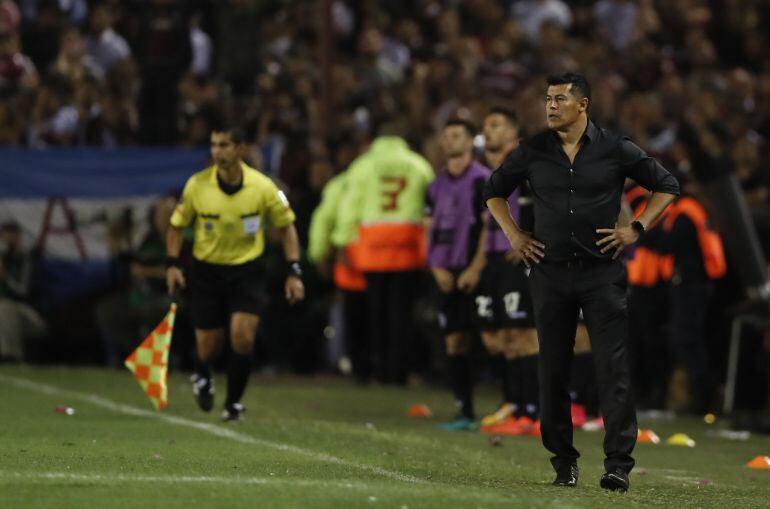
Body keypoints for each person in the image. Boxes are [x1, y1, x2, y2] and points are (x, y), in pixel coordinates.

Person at [484, 72, 680, 492]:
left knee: (613, 370)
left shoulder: (614, 147)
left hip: (601, 274)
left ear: (582, 105)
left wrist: (636, 229)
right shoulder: (534, 149)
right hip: (550, 273)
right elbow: (493, 189)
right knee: (552, 369)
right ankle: (563, 463)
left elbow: (666, 184)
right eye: (548, 99)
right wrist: (515, 235)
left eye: (559, 99)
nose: (550, 106)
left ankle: (618, 466)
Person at [166, 125, 305, 422]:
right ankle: (203, 373)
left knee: (242, 337)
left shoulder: (264, 188)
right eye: (214, 145)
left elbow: (287, 226)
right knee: (208, 345)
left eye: (224, 145)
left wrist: (294, 271)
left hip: (247, 270)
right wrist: (173, 264)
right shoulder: (197, 186)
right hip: (207, 270)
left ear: (240, 149)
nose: (217, 151)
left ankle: (233, 404)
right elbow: (177, 226)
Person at [332, 123, 434, 385]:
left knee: (376, 313)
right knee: (402, 313)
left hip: (372, 247)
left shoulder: (363, 165)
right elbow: (430, 206)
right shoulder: (418, 164)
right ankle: (398, 371)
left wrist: (343, 241)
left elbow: (350, 206)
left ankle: (378, 369)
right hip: (407, 246)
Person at [477, 107, 541, 435]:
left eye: (496, 124)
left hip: (520, 257)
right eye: (486, 125)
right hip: (495, 259)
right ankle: (515, 405)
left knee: (525, 334)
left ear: (513, 131)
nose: (488, 130)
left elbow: (545, 201)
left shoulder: (528, 162)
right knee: (503, 337)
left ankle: (532, 410)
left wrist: (529, 237)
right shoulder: (489, 170)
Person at [425, 119, 489, 430]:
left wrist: (476, 267)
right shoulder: (435, 185)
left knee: (495, 340)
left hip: (476, 270)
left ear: (470, 141)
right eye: (446, 136)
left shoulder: (482, 180)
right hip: (445, 271)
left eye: (457, 135)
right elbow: (429, 230)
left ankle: (517, 407)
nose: (450, 141)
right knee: (454, 341)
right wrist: (435, 266)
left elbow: (490, 226)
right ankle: (464, 411)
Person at [308, 168, 370, 382]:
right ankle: (350, 362)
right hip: (374, 261)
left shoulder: (342, 183)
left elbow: (323, 220)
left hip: (355, 261)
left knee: (351, 314)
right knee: (359, 315)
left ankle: (352, 363)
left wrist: (319, 252)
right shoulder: (354, 183)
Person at [0, 220, 47, 361]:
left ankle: (12, 356)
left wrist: (5, 277)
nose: (7, 239)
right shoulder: (3, 257)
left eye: (11, 235)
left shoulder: (26, 258)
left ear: (18, 237)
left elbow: (23, 292)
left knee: (4, 307)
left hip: (28, 314)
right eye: (4, 236)